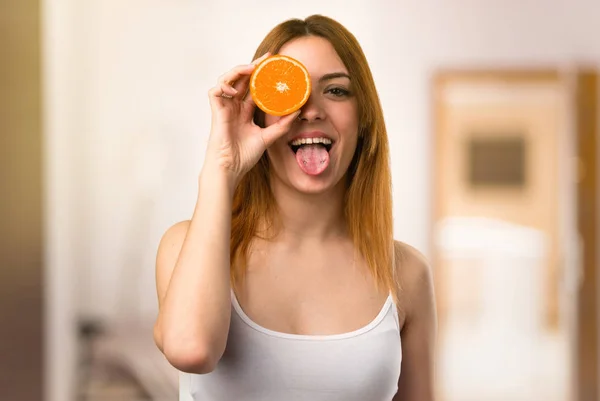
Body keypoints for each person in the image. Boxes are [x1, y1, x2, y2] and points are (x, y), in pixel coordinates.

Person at [153, 14, 437, 401]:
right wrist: (222, 168)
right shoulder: (184, 247)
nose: (311, 111)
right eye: (288, 92)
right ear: (258, 115)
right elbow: (191, 349)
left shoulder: (406, 274)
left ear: (364, 119)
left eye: (336, 91)